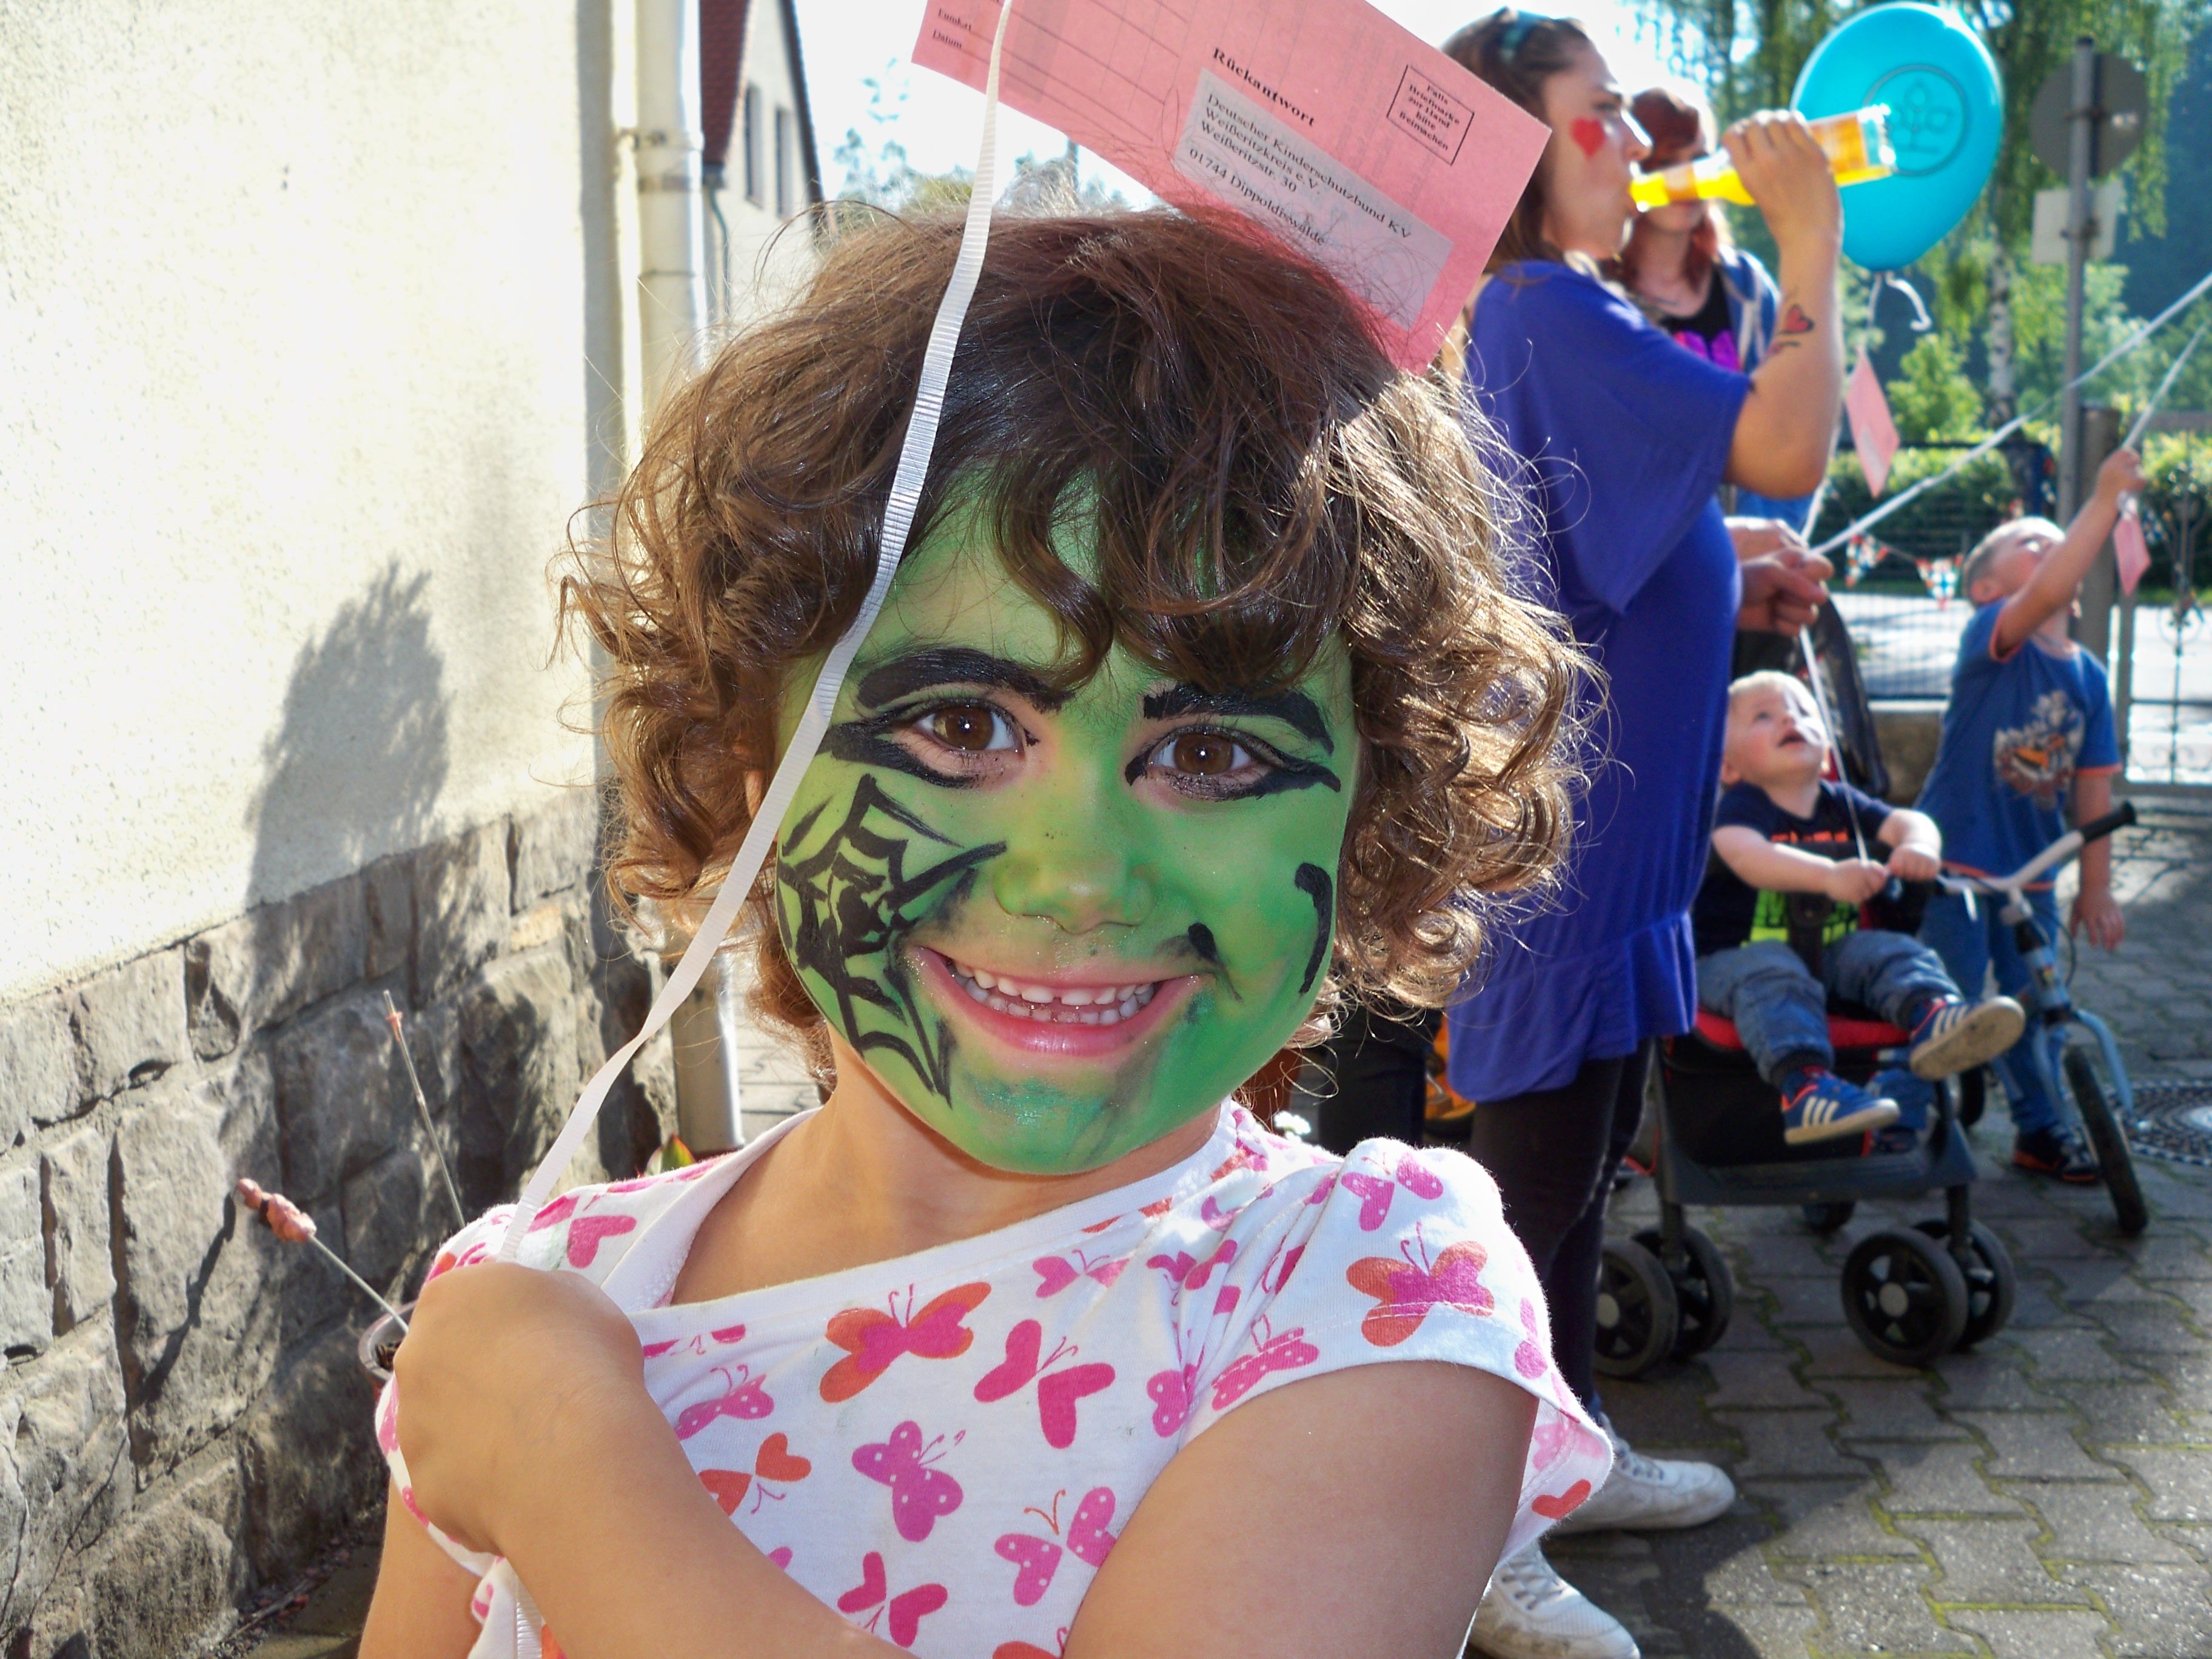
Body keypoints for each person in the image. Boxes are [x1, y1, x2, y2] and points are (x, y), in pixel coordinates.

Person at [357, 209, 1617, 1659]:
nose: (1078, 875)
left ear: (1369, 815)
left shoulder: (1364, 1295)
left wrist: (571, 1471)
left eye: (1211, 754)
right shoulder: (545, 1295)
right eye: (960, 726)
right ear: (750, 769)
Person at [1441, 13, 1846, 1658]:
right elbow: (1788, 439)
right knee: (1533, 1191)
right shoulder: (1543, 304)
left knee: (1585, 1164)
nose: (1634, 139)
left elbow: (1623, 527)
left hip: (1610, 842)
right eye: (1596, 115)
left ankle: (1571, 1448)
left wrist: (1726, 559)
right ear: (1519, 152)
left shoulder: (1565, 304)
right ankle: (1475, 1535)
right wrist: (1810, 238)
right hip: (1573, 842)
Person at [1918, 446, 2147, 1182]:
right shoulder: (1992, 638)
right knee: (1942, 999)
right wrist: (2104, 499)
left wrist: (2097, 887)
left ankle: (2041, 1130)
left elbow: (2093, 797)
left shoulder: (2090, 677)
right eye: (2032, 541)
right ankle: (1897, 1118)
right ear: (1986, 588)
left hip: (2035, 876)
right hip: (1955, 866)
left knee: (2037, 1006)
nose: (2052, 547)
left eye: (2060, 540)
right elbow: (2047, 587)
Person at [1694, 671, 2026, 1142]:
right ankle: (1806, 1088)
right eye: (1763, 716)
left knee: (1890, 950)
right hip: (1732, 961)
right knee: (1773, 971)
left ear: (1828, 752)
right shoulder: (1741, 807)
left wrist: (1918, 846)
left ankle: (1933, 1014)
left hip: (1828, 956)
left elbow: (1910, 820)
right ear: (1728, 767)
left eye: (1803, 711)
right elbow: (1746, 855)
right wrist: (1829, 876)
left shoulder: (1843, 804)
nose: (1789, 718)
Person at [1615, 85, 1816, 535]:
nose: (1687, 178)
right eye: (1667, 162)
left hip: (1760, 547)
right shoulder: (1599, 295)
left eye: (1699, 160)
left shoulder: (1747, 287)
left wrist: (1762, 539)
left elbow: (1795, 419)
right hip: (1655, 554)